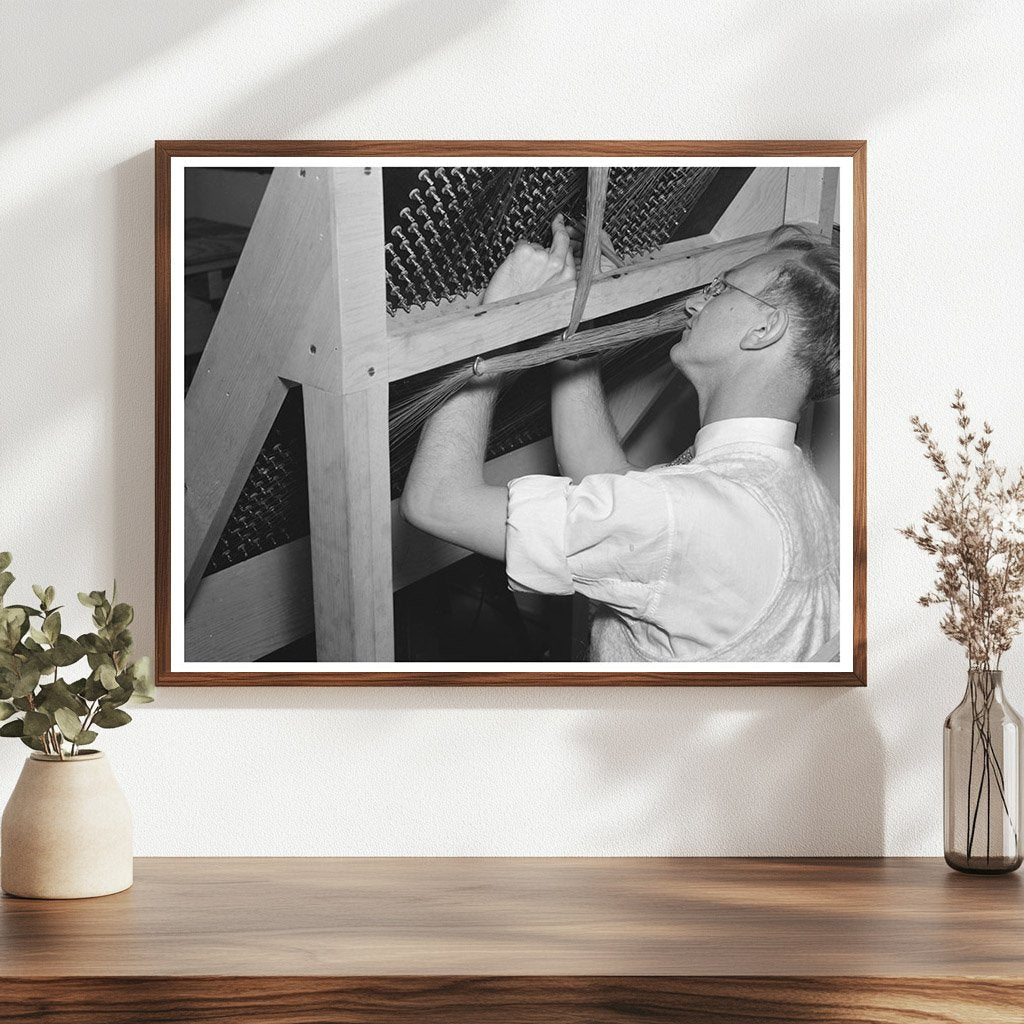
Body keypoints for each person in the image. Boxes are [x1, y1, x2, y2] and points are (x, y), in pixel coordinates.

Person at [400, 214, 840, 662]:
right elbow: (610, 483)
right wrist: (579, 330)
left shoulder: (690, 515)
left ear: (765, 329)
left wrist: (495, 321)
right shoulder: (795, 488)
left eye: (721, 288)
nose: (694, 304)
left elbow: (437, 502)